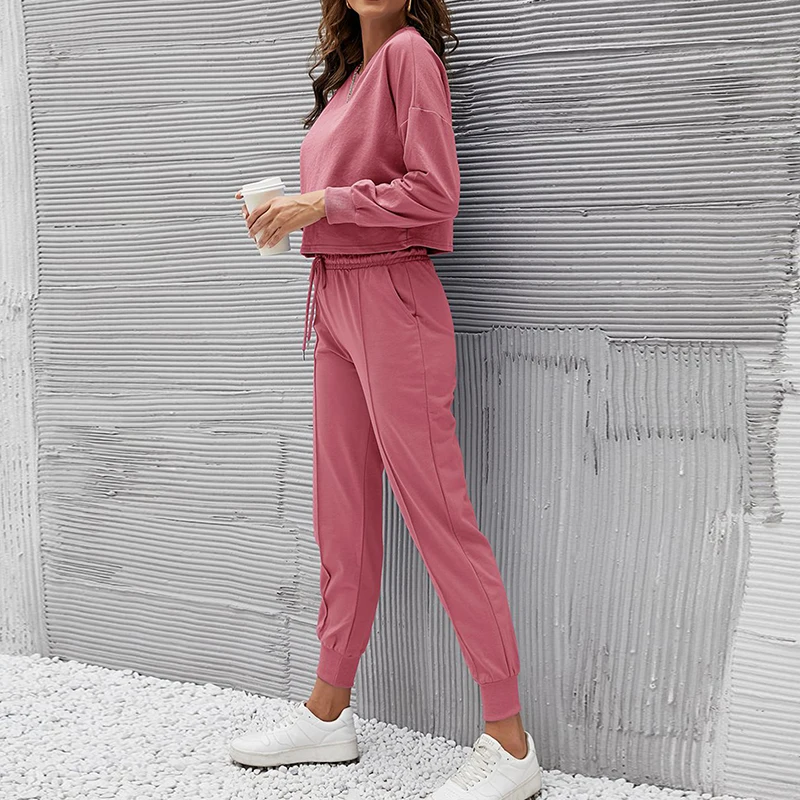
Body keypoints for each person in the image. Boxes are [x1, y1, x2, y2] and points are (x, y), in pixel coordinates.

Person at [230, 2, 542, 797]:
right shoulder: (348, 81)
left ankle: (510, 741)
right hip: (332, 295)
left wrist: (321, 203)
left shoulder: (409, 55)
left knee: (437, 510)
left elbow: (436, 194)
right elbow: (347, 194)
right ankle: (328, 711)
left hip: (394, 296)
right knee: (341, 512)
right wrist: (289, 213)